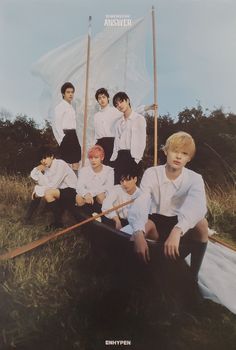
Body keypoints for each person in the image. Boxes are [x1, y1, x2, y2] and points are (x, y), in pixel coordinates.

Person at [128, 131, 208, 281]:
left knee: (202, 224)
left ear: (189, 158)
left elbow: (198, 206)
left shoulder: (195, 178)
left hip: (179, 223)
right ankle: (138, 273)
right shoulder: (152, 173)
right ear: (166, 151)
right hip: (156, 221)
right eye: (175, 151)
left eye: (184, 153)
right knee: (137, 231)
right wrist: (138, 234)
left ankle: (193, 275)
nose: (178, 156)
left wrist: (178, 230)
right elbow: (141, 202)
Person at [94, 88, 156, 168]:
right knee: (101, 168)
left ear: (108, 98)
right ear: (97, 100)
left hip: (111, 142)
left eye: (103, 97)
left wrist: (147, 108)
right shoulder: (96, 116)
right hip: (100, 144)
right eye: (99, 98)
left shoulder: (115, 110)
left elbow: (131, 113)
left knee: (112, 168)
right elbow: (96, 133)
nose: (102, 100)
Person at [101, 166, 158, 237]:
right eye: (122, 181)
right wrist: (117, 220)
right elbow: (106, 205)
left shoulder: (141, 195)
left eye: (128, 180)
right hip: (115, 219)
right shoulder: (117, 189)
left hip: (131, 224)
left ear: (135, 179)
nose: (124, 184)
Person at [28, 148, 77, 229]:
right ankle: (27, 218)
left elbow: (53, 185)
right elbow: (44, 183)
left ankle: (58, 222)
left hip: (72, 191)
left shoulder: (60, 164)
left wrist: (38, 191)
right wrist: (37, 169)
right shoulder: (47, 168)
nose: (43, 161)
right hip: (61, 191)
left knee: (48, 193)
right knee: (43, 191)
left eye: (45, 158)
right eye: (41, 159)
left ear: (51, 156)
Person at [110, 92, 147, 183]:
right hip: (120, 157)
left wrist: (137, 159)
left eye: (121, 101)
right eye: (116, 104)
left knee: (131, 188)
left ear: (127, 100)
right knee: (118, 186)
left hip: (133, 157)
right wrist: (114, 159)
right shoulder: (119, 123)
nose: (119, 105)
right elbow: (116, 142)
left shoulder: (139, 119)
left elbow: (141, 141)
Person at [75, 145, 114, 215]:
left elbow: (109, 187)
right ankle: (87, 217)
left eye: (96, 157)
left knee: (101, 195)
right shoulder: (84, 170)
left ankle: (101, 217)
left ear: (102, 158)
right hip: (88, 198)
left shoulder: (109, 170)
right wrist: (86, 194)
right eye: (91, 158)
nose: (93, 160)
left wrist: (91, 193)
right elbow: (79, 186)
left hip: (99, 197)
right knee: (78, 197)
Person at [53, 82, 81, 171]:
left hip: (73, 135)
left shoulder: (71, 107)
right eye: (68, 92)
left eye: (72, 92)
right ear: (63, 94)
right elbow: (57, 125)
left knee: (76, 161)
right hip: (66, 135)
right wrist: (62, 139)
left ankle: (75, 184)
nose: (71, 94)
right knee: (65, 163)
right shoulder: (60, 107)